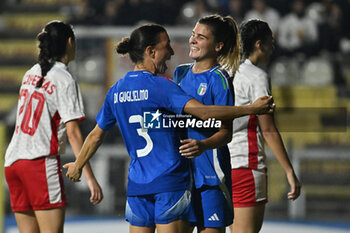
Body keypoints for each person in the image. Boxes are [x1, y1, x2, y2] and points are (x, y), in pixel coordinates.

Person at [63, 23, 274, 233]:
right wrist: (251, 108)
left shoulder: (116, 91)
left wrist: (78, 165)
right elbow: (204, 112)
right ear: (151, 51)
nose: (172, 51)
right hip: (170, 182)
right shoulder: (161, 86)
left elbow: (95, 136)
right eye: (167, 46)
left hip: (138, 184)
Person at [4, 20, 103, 233]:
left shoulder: (31, 72)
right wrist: (89, 177)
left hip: (13, 163)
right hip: (39, 164)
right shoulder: (64, 78)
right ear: (70, 42)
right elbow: (73, 132)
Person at [228, 19, 301, 233]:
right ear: (259, 44)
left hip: (222, 165)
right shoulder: (257, 76)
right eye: (271, 40)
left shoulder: (226, 71)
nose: (273, 45)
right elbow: (268, 129)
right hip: (246, 164)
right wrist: (289, 171)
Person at [173, 14, 239, 233]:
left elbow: (226, 133)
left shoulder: (219, 79)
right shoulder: (180, 73)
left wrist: (202, 145)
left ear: (218, 46)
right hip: (181, 176)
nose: (193, 40)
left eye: (201, 37)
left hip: (211, 175)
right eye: (193, 34)